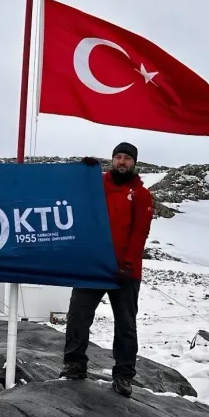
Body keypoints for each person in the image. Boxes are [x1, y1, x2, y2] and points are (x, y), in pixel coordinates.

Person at [60, 142, 154, 397]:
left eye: (127, 158)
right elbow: (72, 192)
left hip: (125, 271)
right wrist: (83, 171)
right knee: (78, 316)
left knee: (125, 324)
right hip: (92, 266)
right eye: (118, 157)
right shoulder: (97, 184)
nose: (122, 162)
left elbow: (139, 233)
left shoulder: (141, 194)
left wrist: (127, 264)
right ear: (112, 160)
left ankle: (124, 375)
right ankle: (74, 364)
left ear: (134, 163)